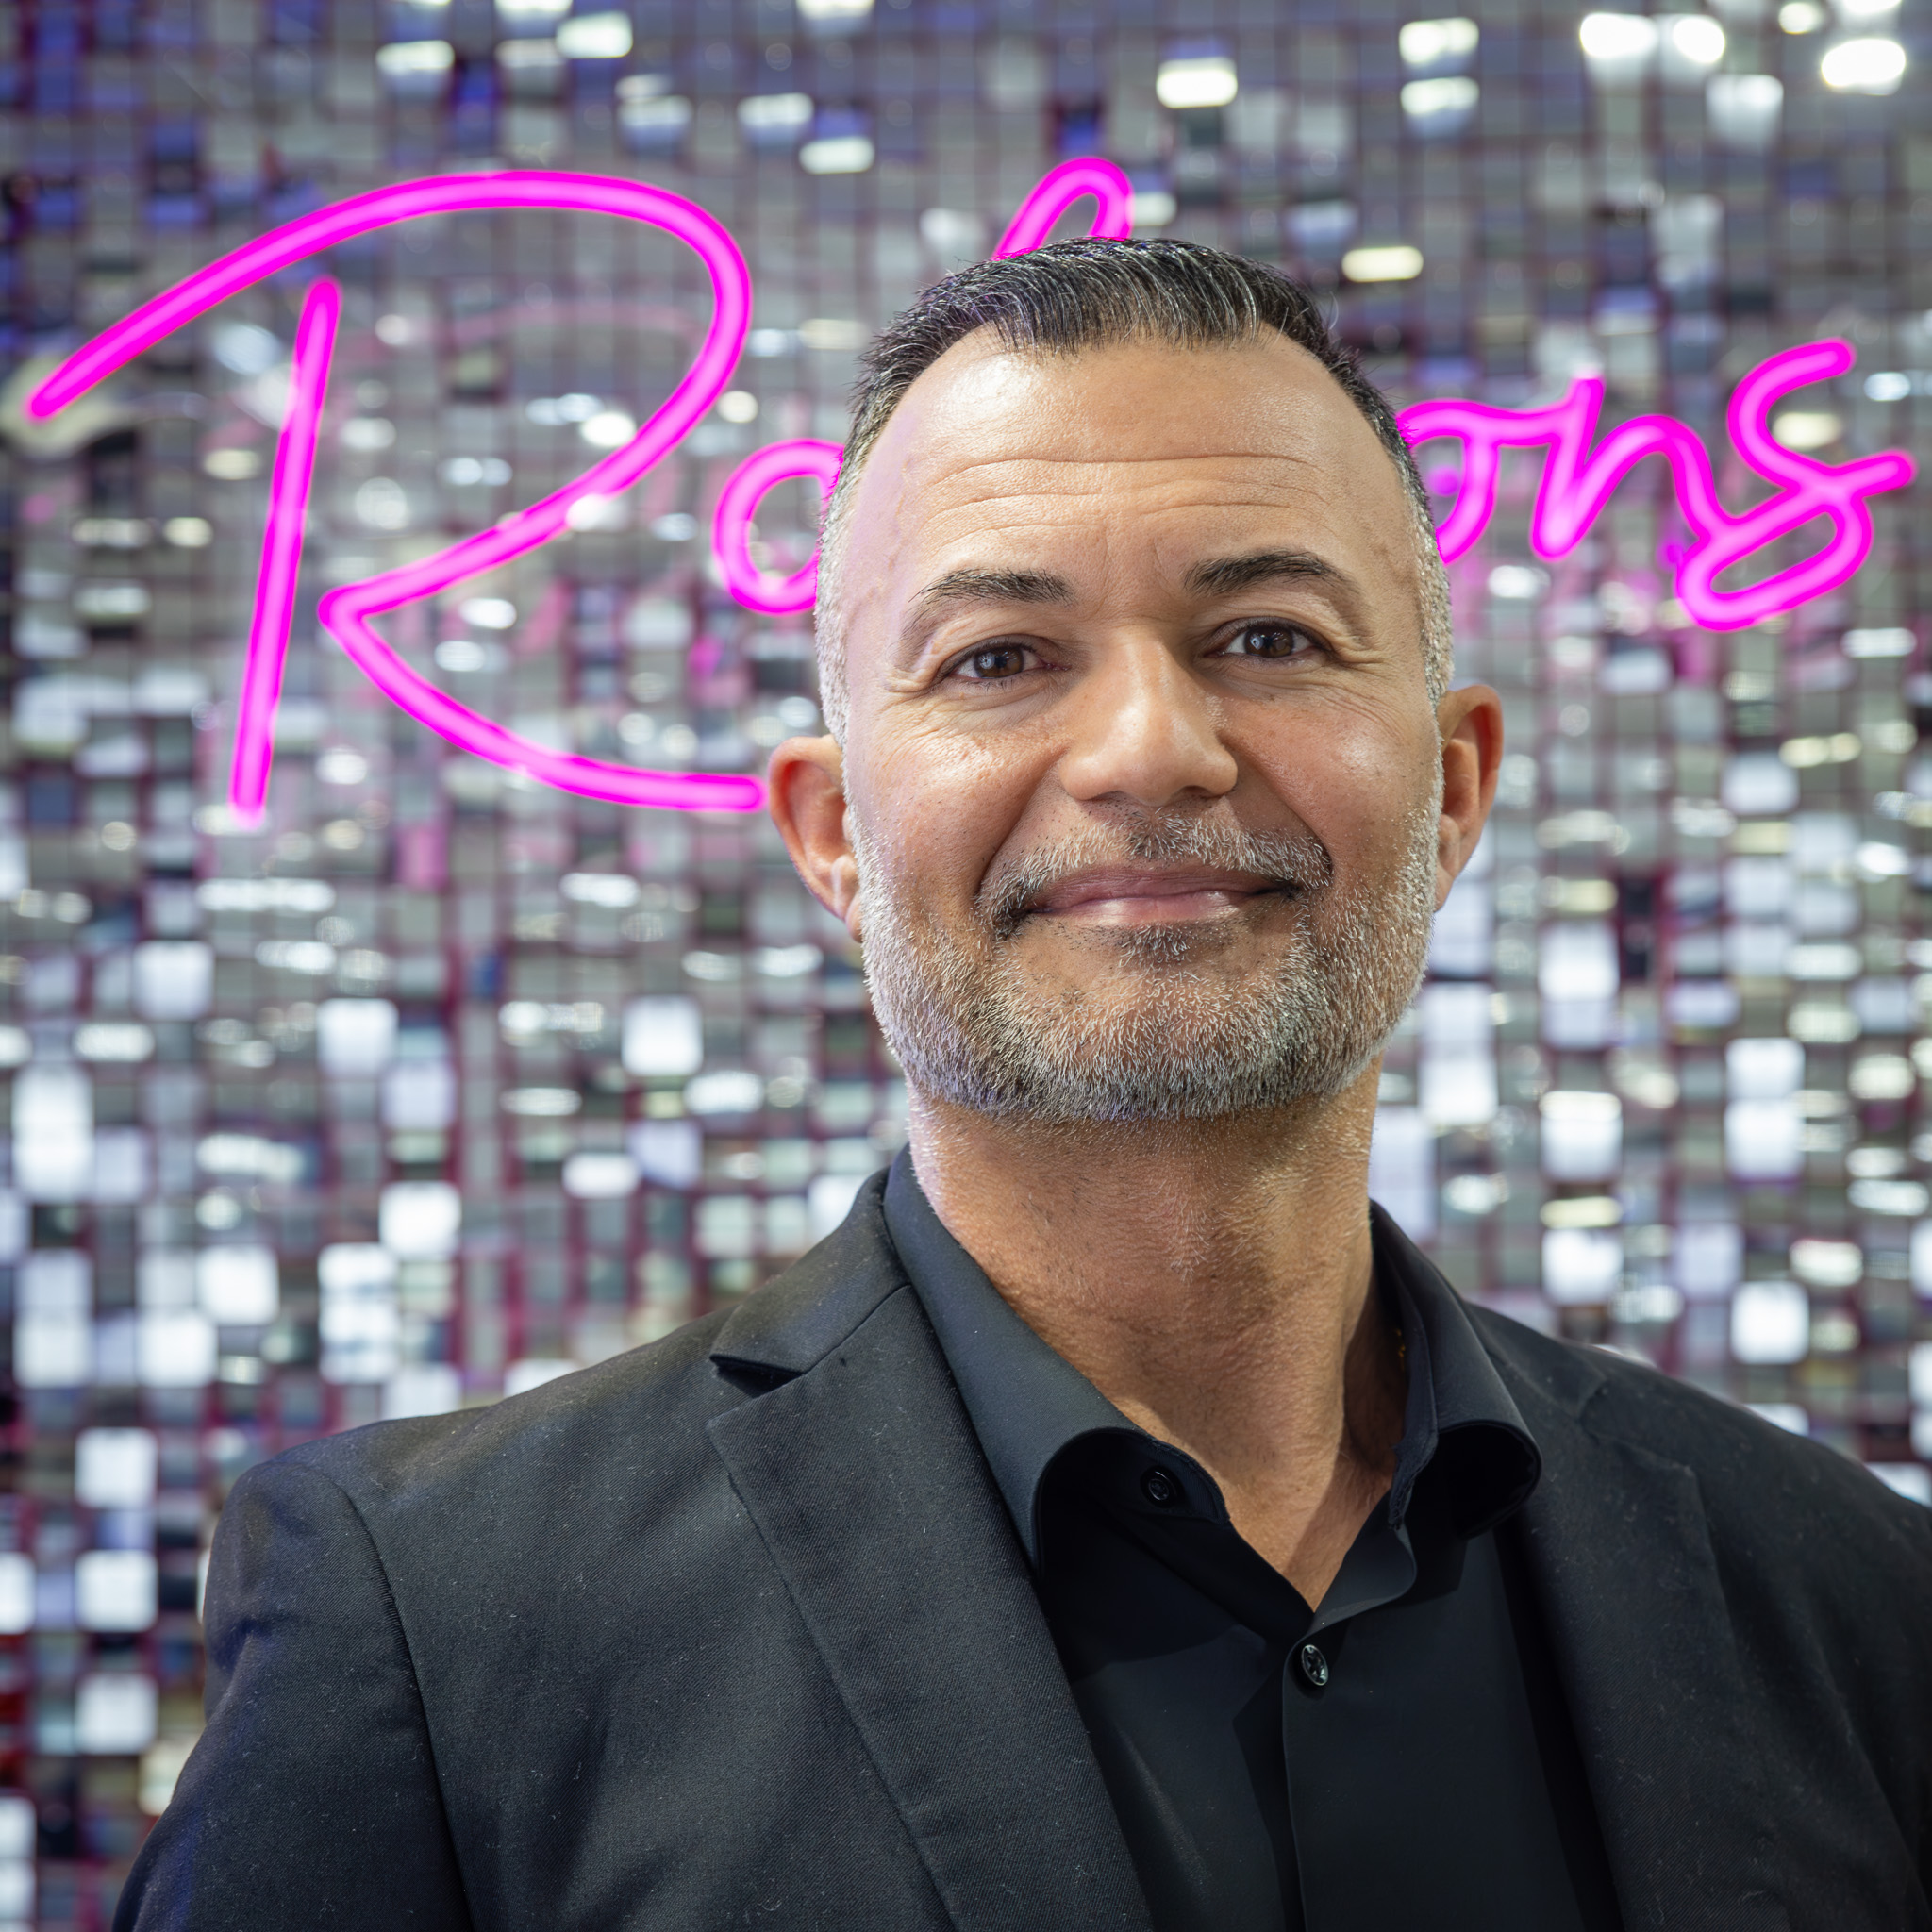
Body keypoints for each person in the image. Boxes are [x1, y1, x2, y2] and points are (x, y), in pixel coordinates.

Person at [119, 241, 1931, 1932]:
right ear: (834, 838)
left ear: (1455, 789)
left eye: (1270, 638)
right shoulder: (434, 1626)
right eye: (999, 659)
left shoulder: (1857, 1610)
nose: (1150, 744)